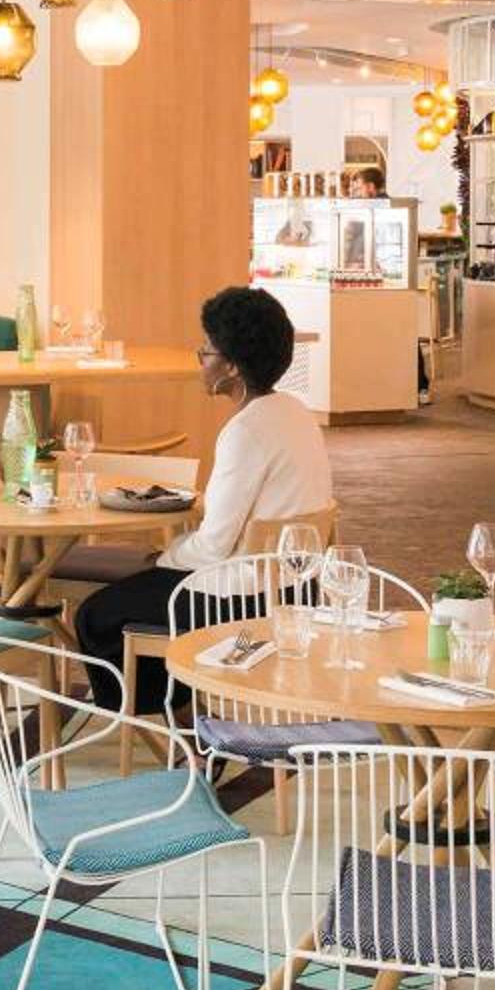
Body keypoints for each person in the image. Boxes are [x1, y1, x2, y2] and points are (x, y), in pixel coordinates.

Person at [73, 286, 334, 709]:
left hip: (239, 600)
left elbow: (214, 546)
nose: (201, 361)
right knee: (139, 588)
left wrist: (163, 556)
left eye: (206, 351)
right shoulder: (297, 413)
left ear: (231, 366)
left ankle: (152, 720)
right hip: (297, 591)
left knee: (95, 615)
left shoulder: (245, 432)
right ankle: (180, 709)